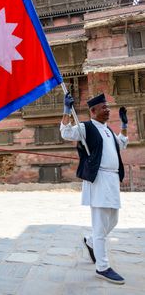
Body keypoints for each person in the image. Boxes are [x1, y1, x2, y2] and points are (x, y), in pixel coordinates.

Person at [60, 92, 128, 285]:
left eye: (108, 107)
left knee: (113, 220)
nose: (108, 110)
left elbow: (122, 144)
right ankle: (102, 267)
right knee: (99, 225)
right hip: (98, 179)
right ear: (93, 111)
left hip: (112, 180)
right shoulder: (85, 127)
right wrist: (66, 110)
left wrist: (123, 125)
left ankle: (90, 241)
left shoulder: (107, 130)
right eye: (104, 107)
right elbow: (65, 132)